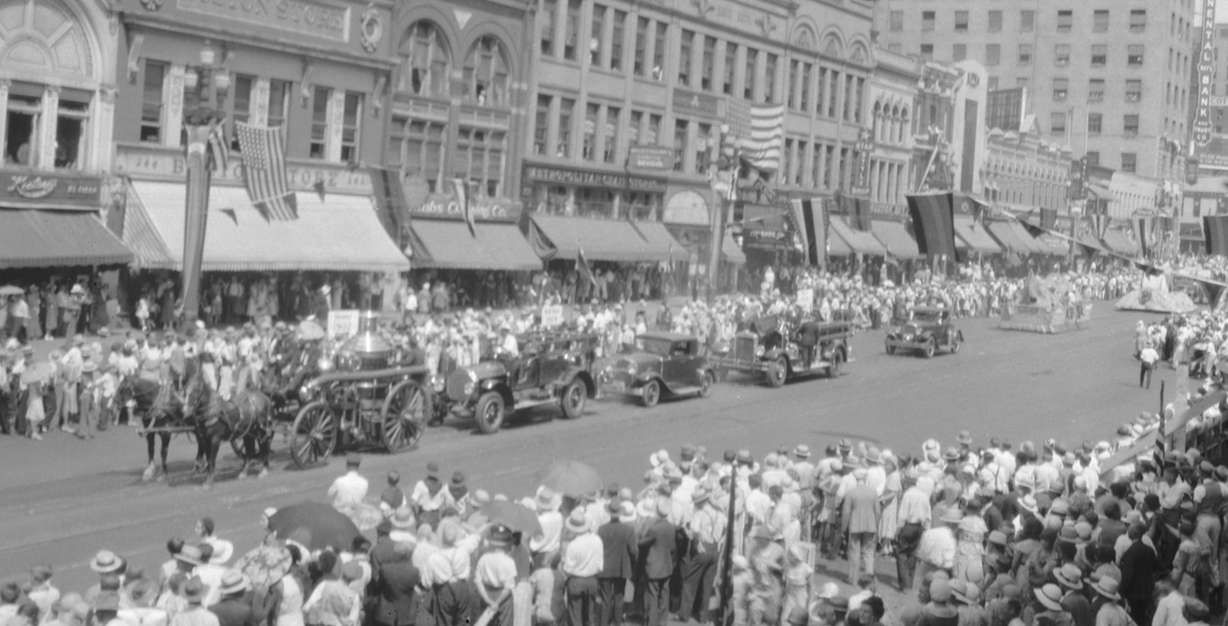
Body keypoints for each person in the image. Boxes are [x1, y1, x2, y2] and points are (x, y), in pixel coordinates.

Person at [560, 510, 602, 626]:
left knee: (575, 617)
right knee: (590, 616)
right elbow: (600, 565)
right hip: (592, 580)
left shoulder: (573, 545)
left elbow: (567, 570)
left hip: (576, 581)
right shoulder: (597, 540)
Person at [596, 500, 635, 626]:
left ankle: (604, 623)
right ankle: (617, 622)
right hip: (621, 567)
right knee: (619, 597)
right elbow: (633, 550)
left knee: (605, 599)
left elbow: (598, 549)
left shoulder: (601, 530)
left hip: (605, 568)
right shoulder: (628, 530)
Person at [639, 498, 676, 626]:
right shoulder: (671, 527)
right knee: (664, 594)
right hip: (667, 566)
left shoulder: (655, 528)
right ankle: (662, 621)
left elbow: (642, 543)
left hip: (654, 567)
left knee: (652, 596)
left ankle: (652, 622)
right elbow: (672, 547)